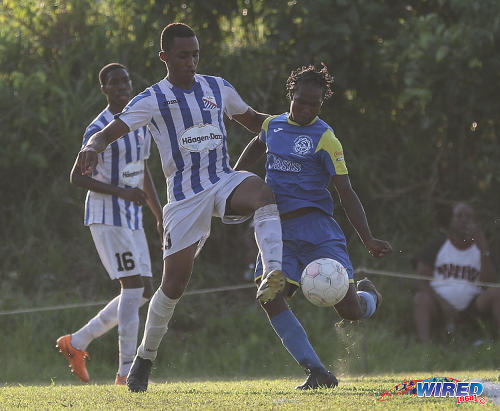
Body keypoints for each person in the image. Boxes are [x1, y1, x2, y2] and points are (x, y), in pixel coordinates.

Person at [76, 23, 286, 392]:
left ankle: (273, 274)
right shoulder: (152, 98)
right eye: (183, 55)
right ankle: (144, 358)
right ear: (165, 58)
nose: (191, 62)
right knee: (173, 285)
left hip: (222, 180)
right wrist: (92, 148)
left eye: (195, 55)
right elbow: (107, 133)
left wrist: (293, 126)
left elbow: (254, 122)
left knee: (263, 194)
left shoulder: (217, 87)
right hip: (185, 200)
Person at [234, 63, 392, 389]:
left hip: (317, 229)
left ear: (321, 104)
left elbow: (345, 191)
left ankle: (370, 297)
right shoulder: (273, 125)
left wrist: (368, 238)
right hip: (278, 232)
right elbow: (259, 142)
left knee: (349, 310)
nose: (306, 109)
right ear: (290, 94)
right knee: (269, 296)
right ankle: (316, 371)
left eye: (314, 104)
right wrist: (231, 177)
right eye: (301, 101)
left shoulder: (326, 138)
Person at [56, 63, 163, 385]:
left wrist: (159, 214)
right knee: (132, 287)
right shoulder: (98, 128)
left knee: (144, 289)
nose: (122, 86)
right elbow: (76, 176)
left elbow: (142, 172)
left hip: (132, 215)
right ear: (104, 89)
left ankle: (76, 342)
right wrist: (120, 192)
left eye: (125, 80)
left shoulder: (139, 124)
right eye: (114, 83)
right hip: (106, 216)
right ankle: (126, 372)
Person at [413, 201, 499, 343]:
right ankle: (424, 346)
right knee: (420, 299)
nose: (464, 220)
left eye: (469, 217)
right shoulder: (438, 245)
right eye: (459, 216)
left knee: (497, 291)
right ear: (451, 221)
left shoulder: (482, 249)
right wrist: (443, 303)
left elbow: (488, 283)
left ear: (475, 222)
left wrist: (483, 248)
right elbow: (421, 282)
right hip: (439, 306)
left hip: (473, 307)